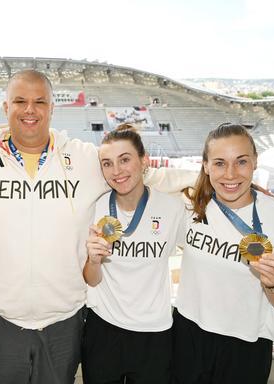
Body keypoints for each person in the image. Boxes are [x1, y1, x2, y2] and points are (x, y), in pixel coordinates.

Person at [0, 70, 197, 384]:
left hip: (63, 323)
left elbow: (137, 173)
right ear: (5, 108)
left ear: (52, 108)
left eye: (39, 101)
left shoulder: (83, 158)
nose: (30, 110)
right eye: (20, 101)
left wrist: (209, 182)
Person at [173, 123, 274, 384]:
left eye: (241, 162)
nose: (230, 174)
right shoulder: (190, 206)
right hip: (188, 335)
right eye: (220, 163)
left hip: (245, 345)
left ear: (255, 162)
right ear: (206, 165)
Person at [82, 125, 185, 383]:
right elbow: (92, 280)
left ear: (143, 161)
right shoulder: (93, 208)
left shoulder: (172, 208)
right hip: (103, 329)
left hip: (155, 332)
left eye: (125, 160)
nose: (116, 171)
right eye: (107, 163)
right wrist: (94, 261)